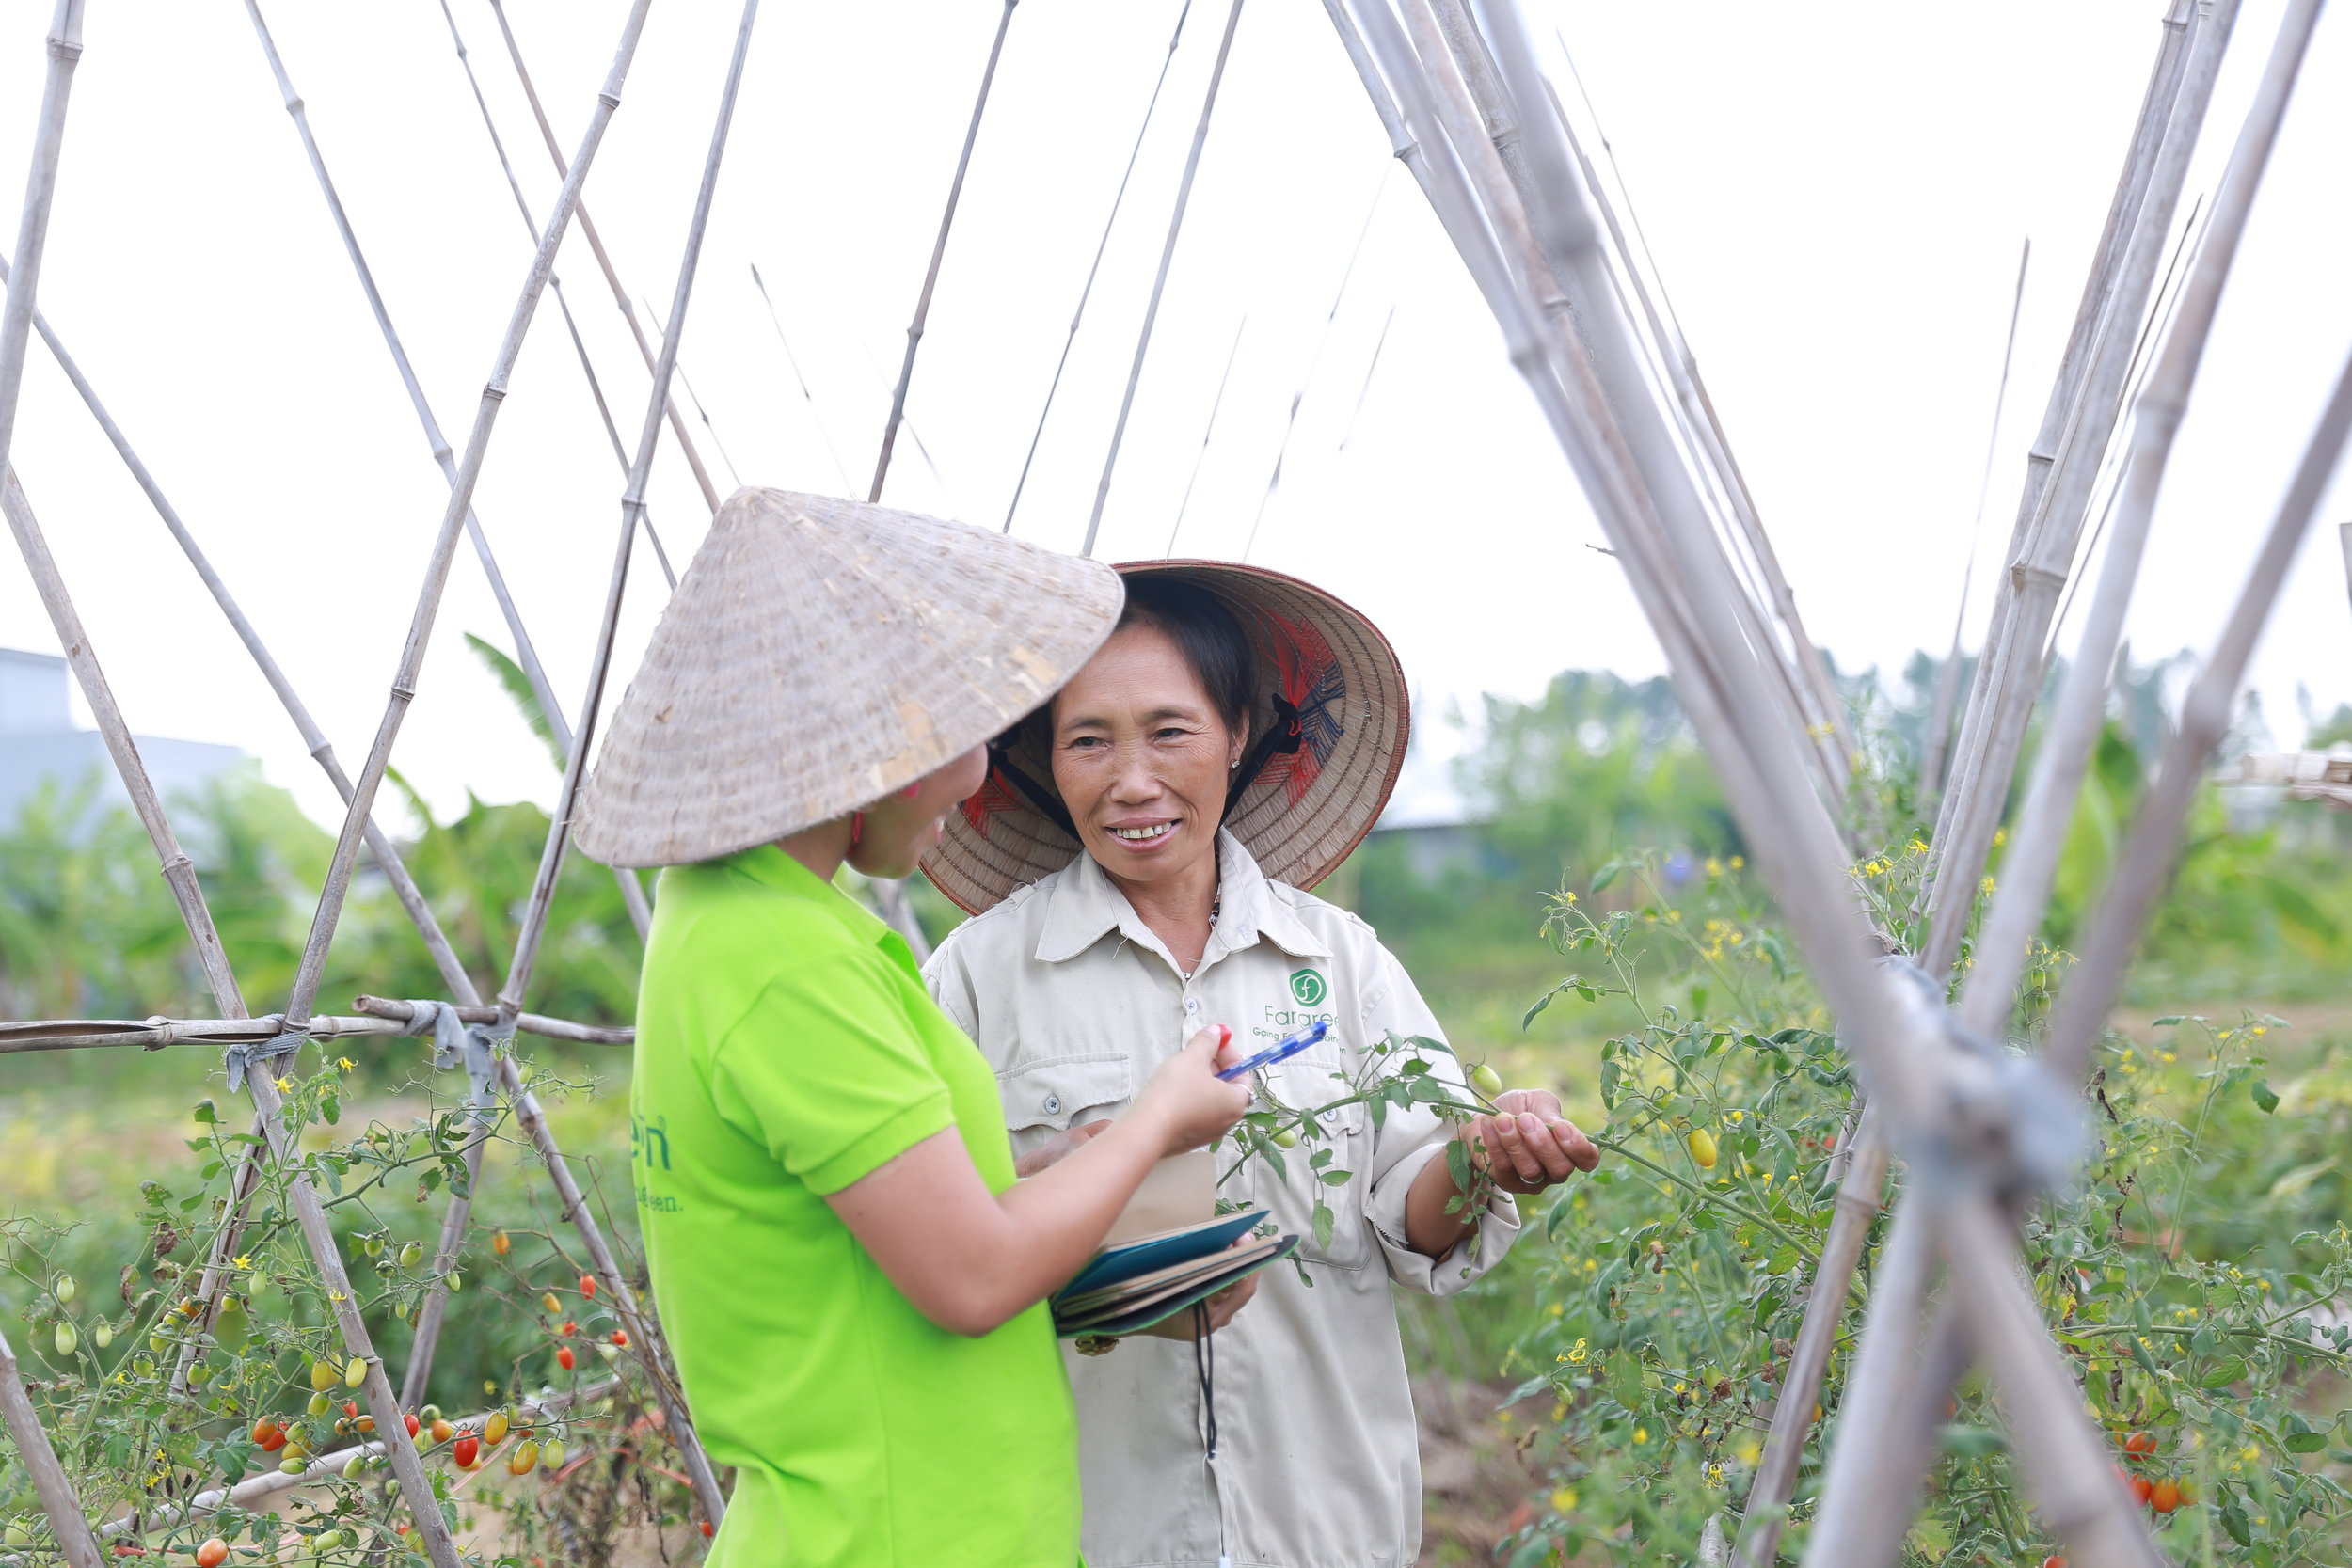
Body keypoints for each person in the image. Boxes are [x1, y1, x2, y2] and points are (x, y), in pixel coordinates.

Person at [572, 491, 1256, 1568]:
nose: (984, 772)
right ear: (869, 746)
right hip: (895, 1529)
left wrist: (1042, 1169)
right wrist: (1153, 1124)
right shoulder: (782, 963)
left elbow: (877, 1230)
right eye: (966, 730)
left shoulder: (747, 920)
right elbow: (972, 1277)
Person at [922, 562, 1600, 1568]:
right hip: (1083, 1528)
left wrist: (1481, 1155)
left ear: (1239, 733)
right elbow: (939, 1245)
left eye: (1169, 730)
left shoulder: (1342, 960)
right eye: (1088, 740)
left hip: (1323, 1519)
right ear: (1045, 759)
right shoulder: (976, 979)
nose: (1131, 780)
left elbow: (1413, 1211)